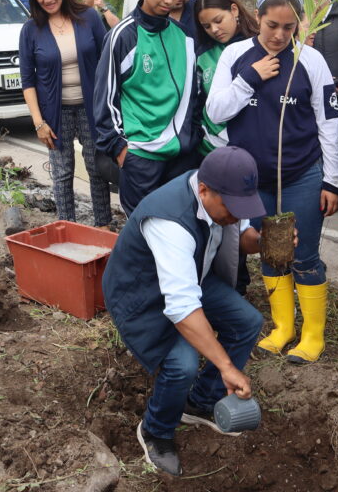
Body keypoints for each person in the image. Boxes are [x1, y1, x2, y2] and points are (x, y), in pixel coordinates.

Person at [102, 145, 266, 477]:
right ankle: (156, 431)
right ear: (203, 190)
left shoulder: (222, 194)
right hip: (141, 293)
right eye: (232, 208)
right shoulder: (170, 220)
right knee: (183, 363)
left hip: (191, 276)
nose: (236, 215)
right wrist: (225, 367)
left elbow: (242, 236)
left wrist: (267, 242)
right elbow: (182, 306)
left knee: (248, 321)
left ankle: (199, 403)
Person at [206, 0, 338, 364]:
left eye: (289, 27)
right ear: (257, 17)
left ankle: (312, 334)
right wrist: (249, 77)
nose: (280, 35)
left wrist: (333, 180)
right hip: (252, 182)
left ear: (300, 24)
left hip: (302, 175)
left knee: (303, 255)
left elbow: (328, 123)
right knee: (269, 251)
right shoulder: (236, 56)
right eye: (272, 25)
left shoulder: (311, 60)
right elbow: (216, 112)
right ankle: (283, 327)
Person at [93, 0, 201, 215]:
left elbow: (194, 93)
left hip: (183, 157)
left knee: (180, 229)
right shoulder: (123, 36)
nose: (169, 0)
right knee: (142, 235)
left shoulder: (184, 37)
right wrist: (121, 150)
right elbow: (105, 100)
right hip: (142, 157)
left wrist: (193, 135)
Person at [19, 0, 112, 228]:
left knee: (97, 170)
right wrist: (39, 122)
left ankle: (104, 227)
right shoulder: (31, 30)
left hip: (91, 109)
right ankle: (66, 229)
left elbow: (106, 60)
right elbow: (28, 81)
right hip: (54, 113)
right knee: (61, 174)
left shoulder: (88, 18)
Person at [193, 0, 259, 154]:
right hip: (213, 148)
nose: (214, 30)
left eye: (218, 20)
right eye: (206, 26)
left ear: (234, 10)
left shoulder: (260, 44)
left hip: (258, 143)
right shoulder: (203, 56)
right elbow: (197, 103)